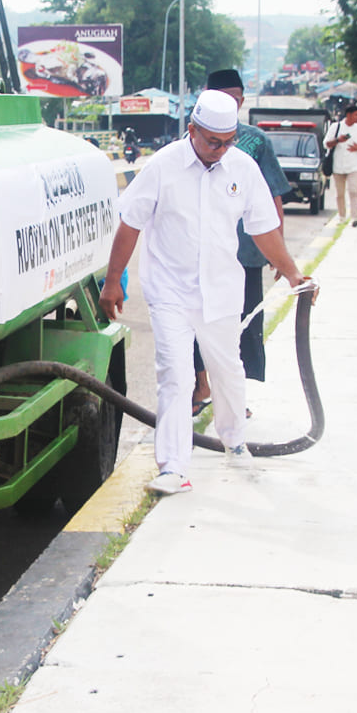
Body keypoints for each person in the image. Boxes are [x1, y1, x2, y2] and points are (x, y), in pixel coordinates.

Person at [98, 90, 307, 497]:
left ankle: (233, 439)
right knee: (175, 376)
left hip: (222, 292)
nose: (221, 149)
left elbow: (263, 228)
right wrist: (112, 281)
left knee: (227, 369)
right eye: (214, 141)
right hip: (170, 292)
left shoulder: (242, 168)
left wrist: (293, 272)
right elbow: (130, 224)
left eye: (228, 141)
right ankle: (173, 467)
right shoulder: (163, 166)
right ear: (192, 130)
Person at [192, 69, 291, 415]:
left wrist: (281, 254)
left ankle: (234, 396)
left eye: (235, 98)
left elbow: (272, 196)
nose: (230, 104)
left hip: (247, 252)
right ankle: (201, 384)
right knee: (198, 322)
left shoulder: (255, 141)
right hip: (202, 254)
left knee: (243, 323)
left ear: (242, 100)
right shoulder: (193, 139)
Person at [325, 105, 357, 227]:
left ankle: (355, 217)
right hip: (338, 165)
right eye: (356, 115)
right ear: (349, 115)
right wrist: (338, 140)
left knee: (353, 191)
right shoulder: (336, 127)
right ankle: (342, 216)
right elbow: (326, 144)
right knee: (340, 193)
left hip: (353, 165)